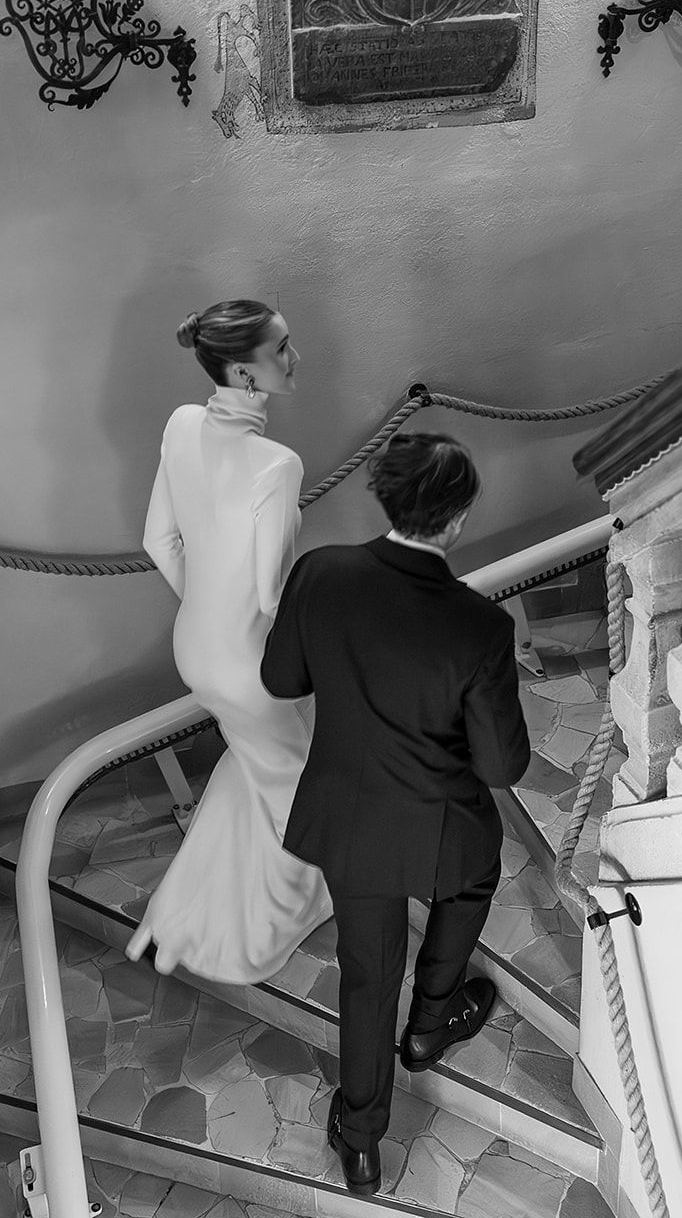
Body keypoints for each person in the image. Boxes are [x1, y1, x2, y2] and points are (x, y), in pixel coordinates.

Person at [261, 433, 531, 1194]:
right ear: (458, 518)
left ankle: (361, 1142)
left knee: (365, 976)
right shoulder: (478, 626)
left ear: (383, 496)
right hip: (441, 820)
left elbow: (282, 678)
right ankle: (429, 1026)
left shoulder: (321, 572)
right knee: (474, 877)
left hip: (351, 816)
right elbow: (502, 767)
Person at [125, 300, 331, 984]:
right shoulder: (278, 465)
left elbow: (158, 540)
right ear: (243, 370)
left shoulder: (181, 424)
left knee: (254, 768)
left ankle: (189, 908)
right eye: (282, 350)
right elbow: (274, 598)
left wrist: (211, 612)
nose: (294, 358)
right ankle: (267, 925)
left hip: (197, 649)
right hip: (250, 665)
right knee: (297, 789)